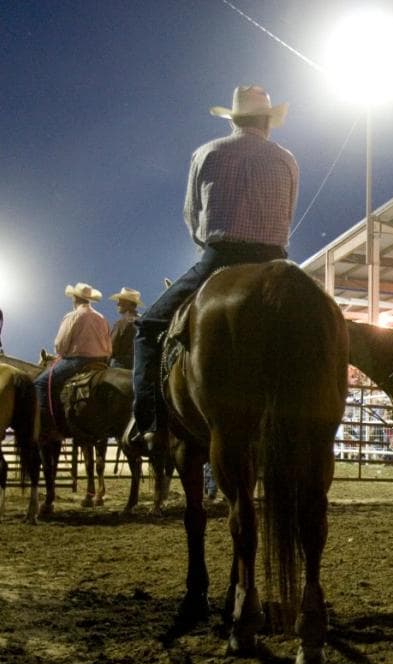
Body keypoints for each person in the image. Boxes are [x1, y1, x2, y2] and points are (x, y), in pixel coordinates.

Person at [128, 85, 298, 450]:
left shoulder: (207, 153)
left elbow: (192, 219)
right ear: (268, 122)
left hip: (220, 256)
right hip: (274, 261)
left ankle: (152, 426)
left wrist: (211, 244)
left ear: (234, 120)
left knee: (148, 328)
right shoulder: (286, 159)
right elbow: (287, 216)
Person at [35, 283, 112, 426]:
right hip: (101, 363)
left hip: (78, 361)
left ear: (75, 299)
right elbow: (109, 347)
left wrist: (64, 353)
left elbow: (60, 345)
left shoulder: (72, 316)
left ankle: (47, 426)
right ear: (89, 300)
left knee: (41, 383)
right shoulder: (102, 318)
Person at [108, 288, 143, 369]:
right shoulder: (144, 321)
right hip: (139, 364)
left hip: (121, 364)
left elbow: (111, 348)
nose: (118, 304)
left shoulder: (121, 324)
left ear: (130, 304)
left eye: (121, 301)